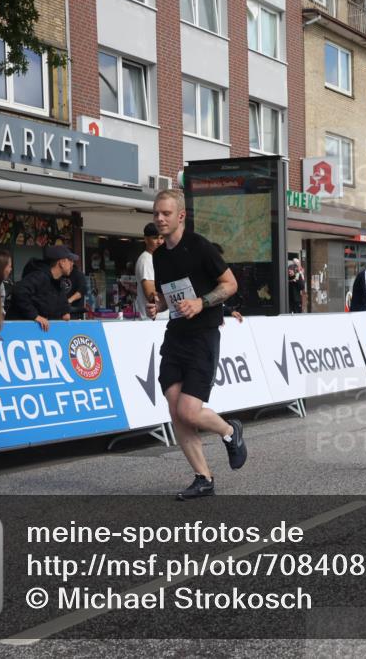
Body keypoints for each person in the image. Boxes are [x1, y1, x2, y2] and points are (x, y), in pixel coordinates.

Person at [145, 189, 245, 500]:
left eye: (166, 213)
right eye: (156, 213)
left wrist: (202, 303)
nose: (160, 218)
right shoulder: (158, 256)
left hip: (203, 335)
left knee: (189, 411)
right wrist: (158, 306)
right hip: (176, 336)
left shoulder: (200, 247)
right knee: (176, 411)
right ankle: (203, 477)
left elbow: (230, 284)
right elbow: (170, 297)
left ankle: (230, 432)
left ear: (181, 216)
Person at [8, 246, 75, 331]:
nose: (72, 264)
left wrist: (65, 311)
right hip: (18, 330)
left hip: (38, 332)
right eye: (70, 260)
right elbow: (19, 291)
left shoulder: (57, 282)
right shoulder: (39, 276)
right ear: (61, 262)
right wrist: (35, 316)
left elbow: (62, 303)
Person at [135, 222, 165, 320]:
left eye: (162, 238)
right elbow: (152, 296)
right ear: (146, 239)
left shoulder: (157, 259)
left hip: (162, 319)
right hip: (153, 321)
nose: (159, 242)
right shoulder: (146, 260)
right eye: (155, 238)